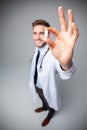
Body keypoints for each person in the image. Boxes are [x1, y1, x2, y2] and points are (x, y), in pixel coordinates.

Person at [29, 6, 79, 127]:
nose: (37, 37)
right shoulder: (37, 49)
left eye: (41, 33)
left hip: (47, 87)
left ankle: (50, 113)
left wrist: (66, 63)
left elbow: (65, 72)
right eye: (35, 33)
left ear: (48, 33)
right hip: (37, 85)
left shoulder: (54, 53)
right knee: (42, 98)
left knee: (51, 102)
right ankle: (44, 107)